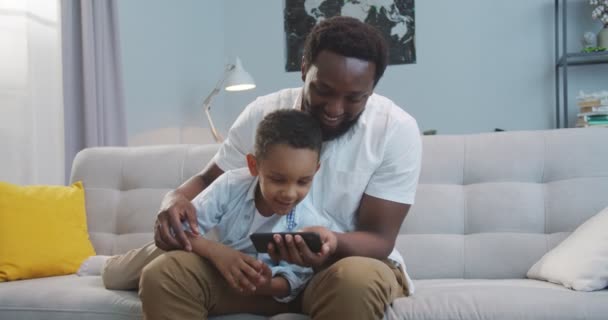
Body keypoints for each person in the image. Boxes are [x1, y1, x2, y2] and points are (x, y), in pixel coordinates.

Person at [149, 16, 422, 320]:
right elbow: (207, 180)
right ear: (305, 68)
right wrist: (174, 199)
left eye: (354, 98)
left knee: (354, 282)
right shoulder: (261, 114)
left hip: (344, 268)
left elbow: (380, 238)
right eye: (323, 90)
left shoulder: (396, 130)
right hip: (257, 270)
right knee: (167, 272)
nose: (334, 109)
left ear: (371, 90)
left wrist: (330, 242)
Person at [102, 110, 337, 317]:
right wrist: (218, 253)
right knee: (116, 275)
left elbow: (295, 280)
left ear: (315, 172)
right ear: (254, 166)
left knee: (163, 265)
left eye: (303, 181)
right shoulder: (231, 185)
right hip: (205, 254)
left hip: (244, 284)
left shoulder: (311, 221)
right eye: (277, 179)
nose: (289, 193)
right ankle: (106, 264)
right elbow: (180, 232)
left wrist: (266, 285)